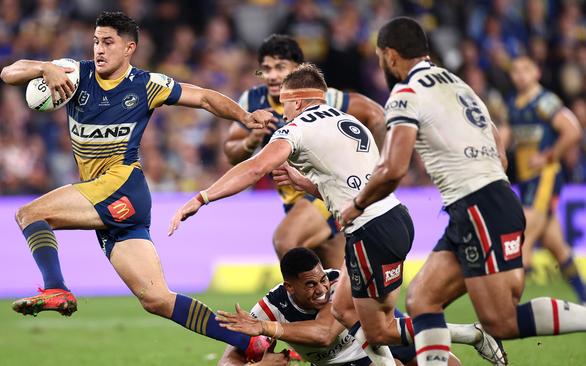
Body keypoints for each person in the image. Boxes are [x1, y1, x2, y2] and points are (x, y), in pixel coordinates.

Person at [169, 64, 502, 366]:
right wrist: (307, 184)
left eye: (284, 103)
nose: (283, 111)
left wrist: (203, 196)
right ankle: (468, 335)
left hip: (369, 231)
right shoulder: (347, 122)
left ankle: (471, 334)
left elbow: (256, 167)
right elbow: (354, 188)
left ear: (297, 101)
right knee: (368, 321)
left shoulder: (297, 128)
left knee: (360, 320)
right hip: (396, 220)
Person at [0, 11, 273, 361]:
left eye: (108, 42)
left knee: (30, 213)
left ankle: (56, 289)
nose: (99, 49)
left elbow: (204, 97)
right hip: (110, 195)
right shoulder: (75, 72)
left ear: (129, 48)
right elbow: (10, 72)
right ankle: (251, 342)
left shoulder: (147, 85)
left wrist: (245, 117)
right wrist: (45, 67)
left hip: (122, 186)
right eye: (96, 41)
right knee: (157, 299)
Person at [339, 17, 586, 366]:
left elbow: (393, 169)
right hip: (487, 200)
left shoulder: (406, 93)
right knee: (423, 298)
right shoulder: (459, 84)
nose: (381, 65)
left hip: (477, 206)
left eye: (381, 57)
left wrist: (357, 203)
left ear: (391, 56)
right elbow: (500, 152)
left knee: (501, 321)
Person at [224, 34, 386, 269]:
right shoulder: (253, 100)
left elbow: (376, 115)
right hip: (292, 199)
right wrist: (252, 140)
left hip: (324, 191)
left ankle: (290, 306)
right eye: (266, 68)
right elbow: (230, 152)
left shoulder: (319, 97)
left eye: (280, 67)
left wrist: (374, 171)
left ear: (298, 69)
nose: (272, 75)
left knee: (286, 241)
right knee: (341, 285)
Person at [218, 248, 512, 366]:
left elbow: (323, 333)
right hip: (350, 361)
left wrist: (269, 330)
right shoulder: (270, 307)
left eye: (322, 280)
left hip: (381, 331)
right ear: (289, 287)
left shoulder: (336, 284)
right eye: (310, 285)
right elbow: (227, 360)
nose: (322, 290)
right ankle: (471, 334)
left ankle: (475, 335)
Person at [504, 56, 586, 304]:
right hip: (527, 181)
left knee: (523, 238)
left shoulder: (545, 101)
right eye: (515, 70)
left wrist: (549, 156)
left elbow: (572, 130)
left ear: (536, 72)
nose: (520, 75)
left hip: (545, 179)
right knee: (556, 246)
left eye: (525, 69)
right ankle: (584, 298)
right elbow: (506, 135)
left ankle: (507, 309)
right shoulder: (514, 104)